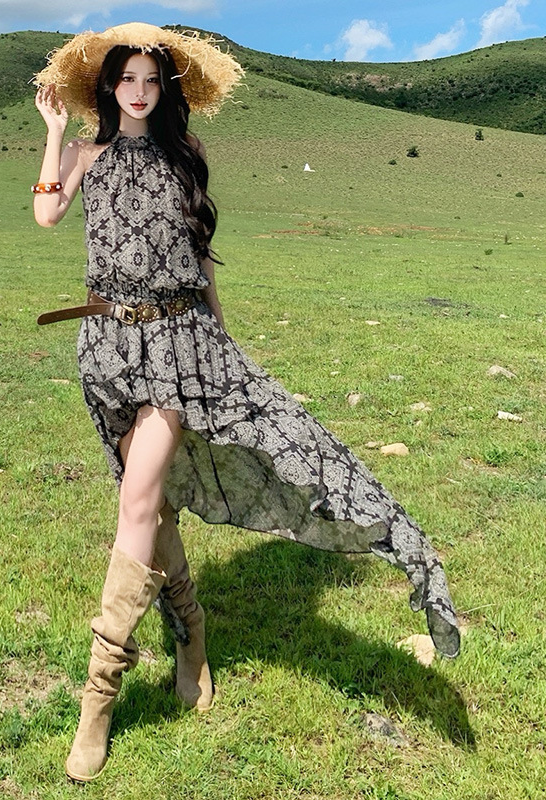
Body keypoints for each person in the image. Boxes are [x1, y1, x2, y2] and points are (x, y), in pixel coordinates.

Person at [32, 22, 460, 783]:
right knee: (152, 505)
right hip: (106, 349)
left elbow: (200, 260)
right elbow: (45, 214)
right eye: (127, 79)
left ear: (166, 91)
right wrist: (54, 132)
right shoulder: (85, 154)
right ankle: (190, 632)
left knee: (137, 500)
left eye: (151, 81)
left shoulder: (182, 156)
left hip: (179, 347)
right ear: (108, 87)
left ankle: (97, 702)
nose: (139, 92)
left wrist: (221, 346)